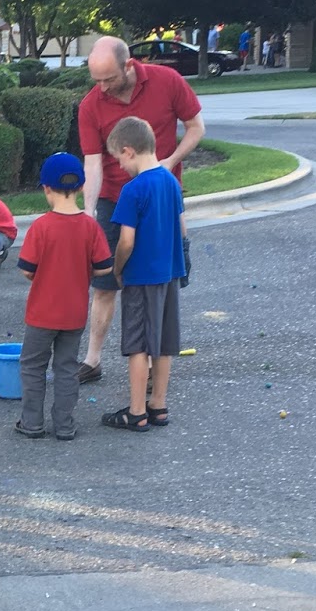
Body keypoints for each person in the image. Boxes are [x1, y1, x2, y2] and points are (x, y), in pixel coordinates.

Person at [75, 35, 203, 385]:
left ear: (129, 65)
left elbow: (196, 127)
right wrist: (89, 212)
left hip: (161, 200)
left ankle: (149, 364)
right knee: (104, 283)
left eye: (108, 79)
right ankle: (92, 359)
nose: (102, 87)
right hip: (114, 200)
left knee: (156, 286)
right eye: (96, 80)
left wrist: (170, 161)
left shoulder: (168, 81)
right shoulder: (91, 105)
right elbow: (93, 163)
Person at [14, 153, 113, 439]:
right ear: (81, 187)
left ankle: (32, 423)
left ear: (46, 188)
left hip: (41, 314)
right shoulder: (90, 227)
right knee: (67, 368)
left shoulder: (41, 227)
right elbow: (104, 267)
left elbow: (27, 270)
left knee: (33, 366)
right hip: (74, 314)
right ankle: (65, 425)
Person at [100, 116, 187, 434]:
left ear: (129, 151)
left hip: (140, 277)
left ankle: (136, 411)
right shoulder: (170, 181)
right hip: (169, 274)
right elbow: (181, 228)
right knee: (164, 343)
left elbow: (126, 241)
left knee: (137, 344)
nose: (120, 166)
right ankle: (158, 406)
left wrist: (117, 268)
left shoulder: (133, 190)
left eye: (119, 159)